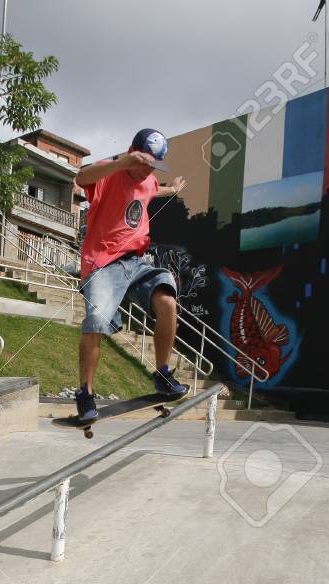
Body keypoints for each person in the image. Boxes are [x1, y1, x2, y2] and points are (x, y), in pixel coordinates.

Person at [72, 128, 189, 422]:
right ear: (131, 153)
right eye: (142, 163)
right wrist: (121, 163)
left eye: (152, 166)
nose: (146, 171)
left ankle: (162, 374)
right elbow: (81, 177)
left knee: (168, 302)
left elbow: (154, 188)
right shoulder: (110, 174)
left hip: (135, 263)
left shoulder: (148, 178)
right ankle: (85, 393)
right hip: (102, 264)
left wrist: (172, 189)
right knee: (96, 322)